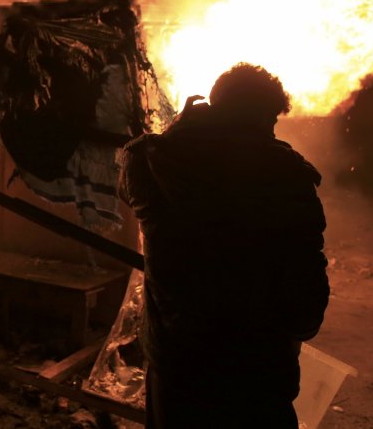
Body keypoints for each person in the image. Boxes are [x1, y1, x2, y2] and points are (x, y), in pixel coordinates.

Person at [118, 63, 329, 428]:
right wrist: (298, 328)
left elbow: (131, 180)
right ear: (261, 117)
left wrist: (180, 128)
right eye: (271, 120)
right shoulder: (287, 176)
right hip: (257, 370)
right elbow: (306, 283)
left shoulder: (151, 160)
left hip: (178, 363)